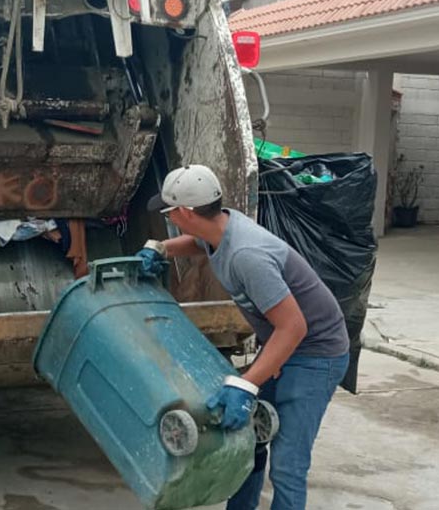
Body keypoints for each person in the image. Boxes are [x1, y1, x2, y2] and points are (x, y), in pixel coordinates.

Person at [137, 164, 349, 510]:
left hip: (316, 354)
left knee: (288, 465)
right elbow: (197, 242)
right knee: (250, 441)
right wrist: (161, 248)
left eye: (170, 210)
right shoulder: (220, 227)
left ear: (186, 212)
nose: (169, 216)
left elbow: (294, 327)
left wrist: (246, 384)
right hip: (286, 345)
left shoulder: (247, 256)